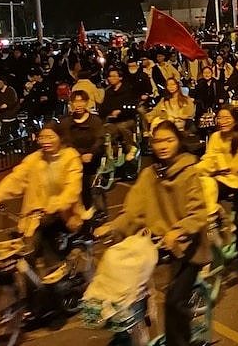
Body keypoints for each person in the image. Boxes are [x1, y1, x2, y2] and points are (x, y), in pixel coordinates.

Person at [93, 121, 209, 346]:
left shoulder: (189, 173)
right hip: (155, 246)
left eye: (169, 140)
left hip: (189, 248)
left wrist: (179, 231)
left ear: (178, 142)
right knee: (125, 289)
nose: (163, 145)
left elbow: (199, 213)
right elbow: (133, 211)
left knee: (175, 301)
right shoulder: (149, 174)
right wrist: (113, 227)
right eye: (158, 141)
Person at [0, 121, 87, 268]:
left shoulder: (71, 157)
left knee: (50, 259)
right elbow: (16, 178)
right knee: (24, 256)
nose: (46, 142)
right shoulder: (33, 159)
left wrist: (57, 203)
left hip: (65, 216)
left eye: (50, 137)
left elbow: (73, 188)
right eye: (42, 138)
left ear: (60, 138)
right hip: (37, 217)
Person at [197, 106, 238, 286]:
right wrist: (196, 169)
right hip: (225, 179)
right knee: (202, 199)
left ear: (234, 119)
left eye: (226, 118)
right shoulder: (216, 137)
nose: (222, 121)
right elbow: (209, 158)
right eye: (220, 118)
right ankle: (216, 229)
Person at [58, 90, 105, 212]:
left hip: (92, 159)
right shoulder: (65, 122)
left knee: (90, 185)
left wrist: (91, 153)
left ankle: (96, 211)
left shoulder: (95, 121)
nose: (78, 105)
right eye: (75, 101)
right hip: (73, 159)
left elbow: (100, 139)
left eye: (82, 101)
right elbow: (66, 142)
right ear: (71, 104)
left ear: (86, 103)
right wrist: (77, 155)